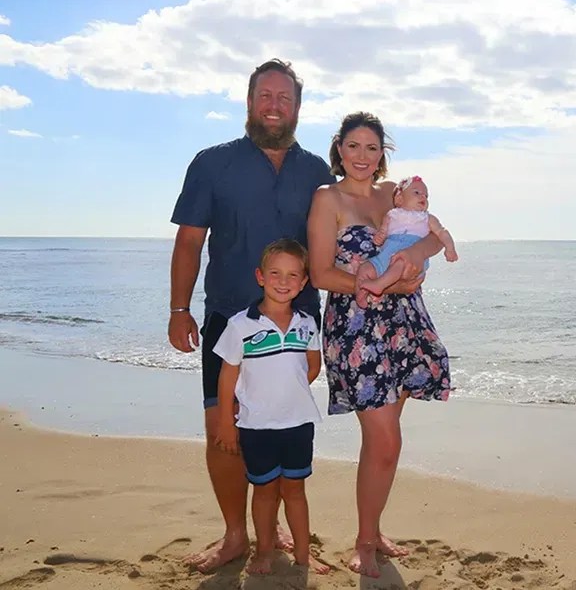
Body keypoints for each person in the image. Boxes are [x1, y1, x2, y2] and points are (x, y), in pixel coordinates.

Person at [168, 59, 336, 573]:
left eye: (284, 98)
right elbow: (190, 240)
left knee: (279, 423)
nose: (274, 105)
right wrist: (178, 308)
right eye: (265, 95)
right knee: (225, 429)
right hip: (227, 320)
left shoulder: (317, 173)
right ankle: (235, 534)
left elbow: (339, 240)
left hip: (298, 326)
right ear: (248, 101)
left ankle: (270, 528)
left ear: (298, 108)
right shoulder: (212, 163)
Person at [307, 111, 451, 578]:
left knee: (382, 442)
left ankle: (372, 528)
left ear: (383, 153)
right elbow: (322, 274)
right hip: (357, 327)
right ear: (339, 148)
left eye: (372, 148)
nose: (363, 156)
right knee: (385, 439)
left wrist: (413, 255)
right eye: (354, 146)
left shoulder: (395, 194)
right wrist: (385, 286)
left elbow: (433, 234)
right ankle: (366, 543)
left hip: (405, 323)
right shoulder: (327, 199)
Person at [212, 239, 330, 575]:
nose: (284, 281)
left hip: (298, 424)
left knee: (295, 491)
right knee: (263, 492)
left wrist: (286, 393)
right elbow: (227, 376)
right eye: (275, 273)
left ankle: (304, 556)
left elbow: (312, 365)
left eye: (294, 275)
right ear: (260, 276)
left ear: (304, 282)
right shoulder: (240, 325)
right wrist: (225, 421)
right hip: (256, 426)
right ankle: (263, 552)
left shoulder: (307, 323)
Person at [354, 175, 459, 308]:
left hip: (410, 257)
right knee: (365, 268)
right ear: (399, 198)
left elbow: (441, 233)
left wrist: (450, 248)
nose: (423, 197)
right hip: (386, 254)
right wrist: (380, 236)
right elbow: (383, 230)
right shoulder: (391, 214)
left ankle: (379, 285)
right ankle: (362, 295)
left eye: (426, 196)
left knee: (400, 263)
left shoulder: (427, 218)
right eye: (417, 193)